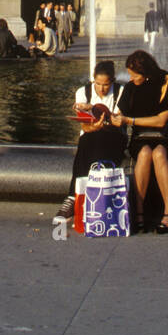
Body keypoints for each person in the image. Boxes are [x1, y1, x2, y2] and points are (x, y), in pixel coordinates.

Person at [111, 50, 168, 233]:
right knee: (144, 153)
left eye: (135, 75)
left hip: (166, 137)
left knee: (159, 153)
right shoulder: (131, 87)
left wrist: (130, 121)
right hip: (140, 139)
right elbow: (118, 115)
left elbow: (161, 121)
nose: (132, 78)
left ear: (146, 72)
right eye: (130, 74)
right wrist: (98, 113)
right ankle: (139, 212)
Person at [55, 61, 125, 222]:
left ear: (113, 81)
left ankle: (75, 198)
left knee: (94, 141)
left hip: (114, 137)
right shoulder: (83, 92)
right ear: (93, 80)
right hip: (90, 137)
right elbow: (85, 127)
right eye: (98, 84)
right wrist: (93, 124)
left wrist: (93, 109)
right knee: (89, 138)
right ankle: (74, 198)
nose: (101, 89)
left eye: (106, 85)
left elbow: (118, 121)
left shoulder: (121, 91)